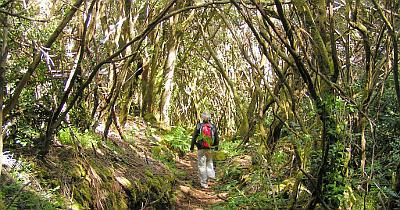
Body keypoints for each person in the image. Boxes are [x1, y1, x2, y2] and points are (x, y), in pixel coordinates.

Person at [190, 112, 219, 189]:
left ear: (203, 118)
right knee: (209, 162)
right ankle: (211, 175)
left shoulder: (199, 126)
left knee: (201, 165)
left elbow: (194, 138)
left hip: (201, 148)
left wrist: (192, 147)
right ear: (210, 118)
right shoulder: (213, 126)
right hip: (210, 148)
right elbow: (216, 138)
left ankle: (204, 183)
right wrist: (216, 147)